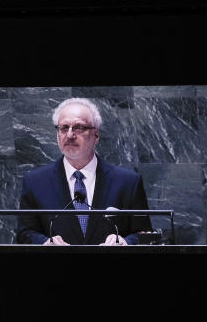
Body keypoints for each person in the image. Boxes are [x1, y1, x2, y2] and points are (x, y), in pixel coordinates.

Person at [16, 98, 152, 246]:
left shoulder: (128, 182)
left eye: (79, 127)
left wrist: (125, 242)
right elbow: (25, 234)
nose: (69, 135)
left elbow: (144, 235)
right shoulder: (35, 182)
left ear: (96, 136)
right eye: (63, 128)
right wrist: (45, 243)